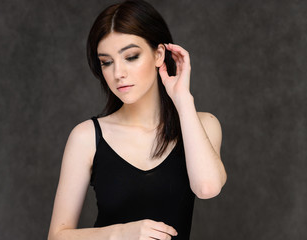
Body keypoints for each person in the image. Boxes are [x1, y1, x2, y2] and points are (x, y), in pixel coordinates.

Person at [48, 0, 227, 239]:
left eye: (130, 56)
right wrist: (121, 233)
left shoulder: (202, 124)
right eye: (106, 62)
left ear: (159, 54)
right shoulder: (86, 137)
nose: (118, 73)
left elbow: (207, 187)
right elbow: (57, 236)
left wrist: (183, 100)